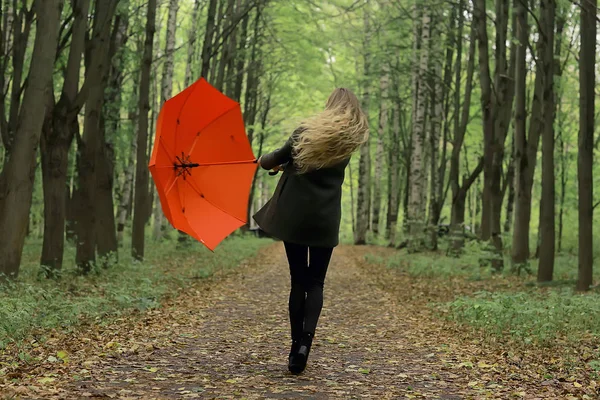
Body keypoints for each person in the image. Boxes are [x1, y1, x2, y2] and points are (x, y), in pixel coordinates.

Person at [253, 88, 369, 374]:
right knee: (316, 282)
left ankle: (294, 350)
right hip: (325, 218)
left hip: (295, 216)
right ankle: (306, 343)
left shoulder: (305, 131)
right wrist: (289, 164)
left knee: (298, 281)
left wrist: (267, 161)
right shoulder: (348, 142)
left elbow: (275, 158)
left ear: (329, 106)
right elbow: (312, 165)